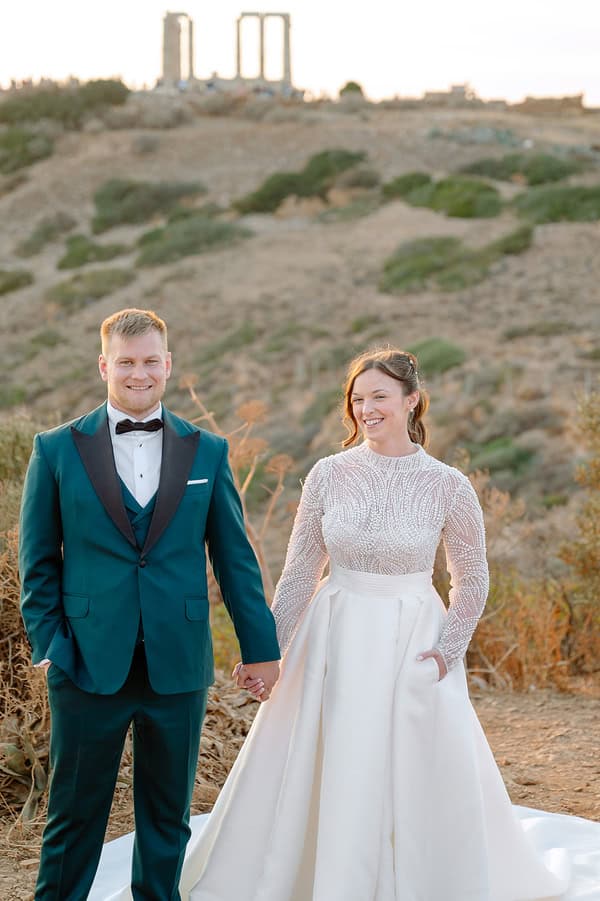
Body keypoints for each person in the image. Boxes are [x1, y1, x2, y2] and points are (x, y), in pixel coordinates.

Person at [180, 346, 570, 900]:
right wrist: (266, 651)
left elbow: (472, 580)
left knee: (408, 768)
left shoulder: (448, 485)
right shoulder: (327, 474)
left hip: (413, 641)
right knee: (327, 762)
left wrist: (447, 650)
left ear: (412, 401)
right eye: (358, 399)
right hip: (333, 634)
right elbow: (297, 574)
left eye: (380, 397)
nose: (367, 408)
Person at [18, 308, 280, 901]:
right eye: (127, 362)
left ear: (169, 364)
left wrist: (260, 649)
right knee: (73, 818)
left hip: (177, 662)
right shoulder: (57, 449)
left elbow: (234, 559)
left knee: (167, 821)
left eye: (151, 361)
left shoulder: (206, 451)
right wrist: (50, 646)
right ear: (105, 365)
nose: (140, 373)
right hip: (84, 662)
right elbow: (37, 561)